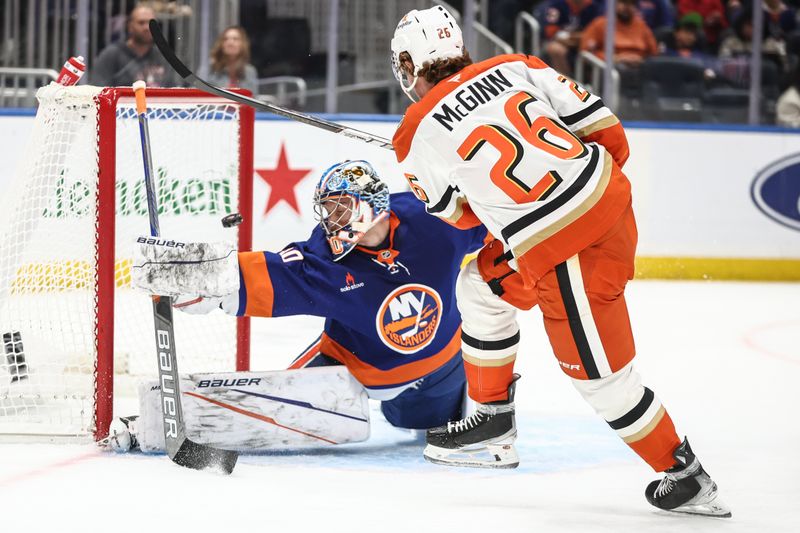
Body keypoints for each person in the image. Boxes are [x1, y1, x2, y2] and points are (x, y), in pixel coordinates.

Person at [389, 5, 730, 517]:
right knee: (482, 285)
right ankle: (492, 421)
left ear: (410, 64)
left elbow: (459, 218)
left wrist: (487, 189)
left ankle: (684, 475)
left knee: (602, 380)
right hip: (605, 204)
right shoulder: (517, 66)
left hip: (566, 252)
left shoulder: (414, 132)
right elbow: (611, 135)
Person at [116, 160, 487, 452]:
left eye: (340, 208)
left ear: (371, 205)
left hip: (442, 367)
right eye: (327, 210)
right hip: (349, 370)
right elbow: (265, 275)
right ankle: (145, 425)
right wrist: (199, 277)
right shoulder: (324, 259)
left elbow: (497, 220)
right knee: (268, 409)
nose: (331, 220)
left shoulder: (436, 220)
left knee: (425, 431)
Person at [90, 4, 179, 87]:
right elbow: (99, 90)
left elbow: (175, 90)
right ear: (130, 26)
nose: (147, 27)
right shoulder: (111, 55)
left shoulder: (163, 56)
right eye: (141, 23)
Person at [580, 0, 659, 67]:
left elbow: (653, 53)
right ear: (615, 5)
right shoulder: (600, 24)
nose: (626, 7)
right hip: (610, 67)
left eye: (631, 4)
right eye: (623, 3)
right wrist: (615, 59)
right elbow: (586, 52)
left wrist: (641, 60)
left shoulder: (642, 26)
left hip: (639, 67)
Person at [540, 0, 602, 76]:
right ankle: (565, 81)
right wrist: (570, 39)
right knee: (556, 49)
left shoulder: (592, 6)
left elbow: (596, 32)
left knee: (595, 51)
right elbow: (550, 31)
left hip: (583, 42)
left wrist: (581, 37)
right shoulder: (557, 4)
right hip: (561, 42)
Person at [207, 26, 259, 95]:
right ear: (221, 44)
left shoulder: (250, 71)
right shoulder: (210, 68)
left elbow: (253, 98)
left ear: (242, 44)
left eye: (235, 39)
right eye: (226, 39)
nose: (230, 42)